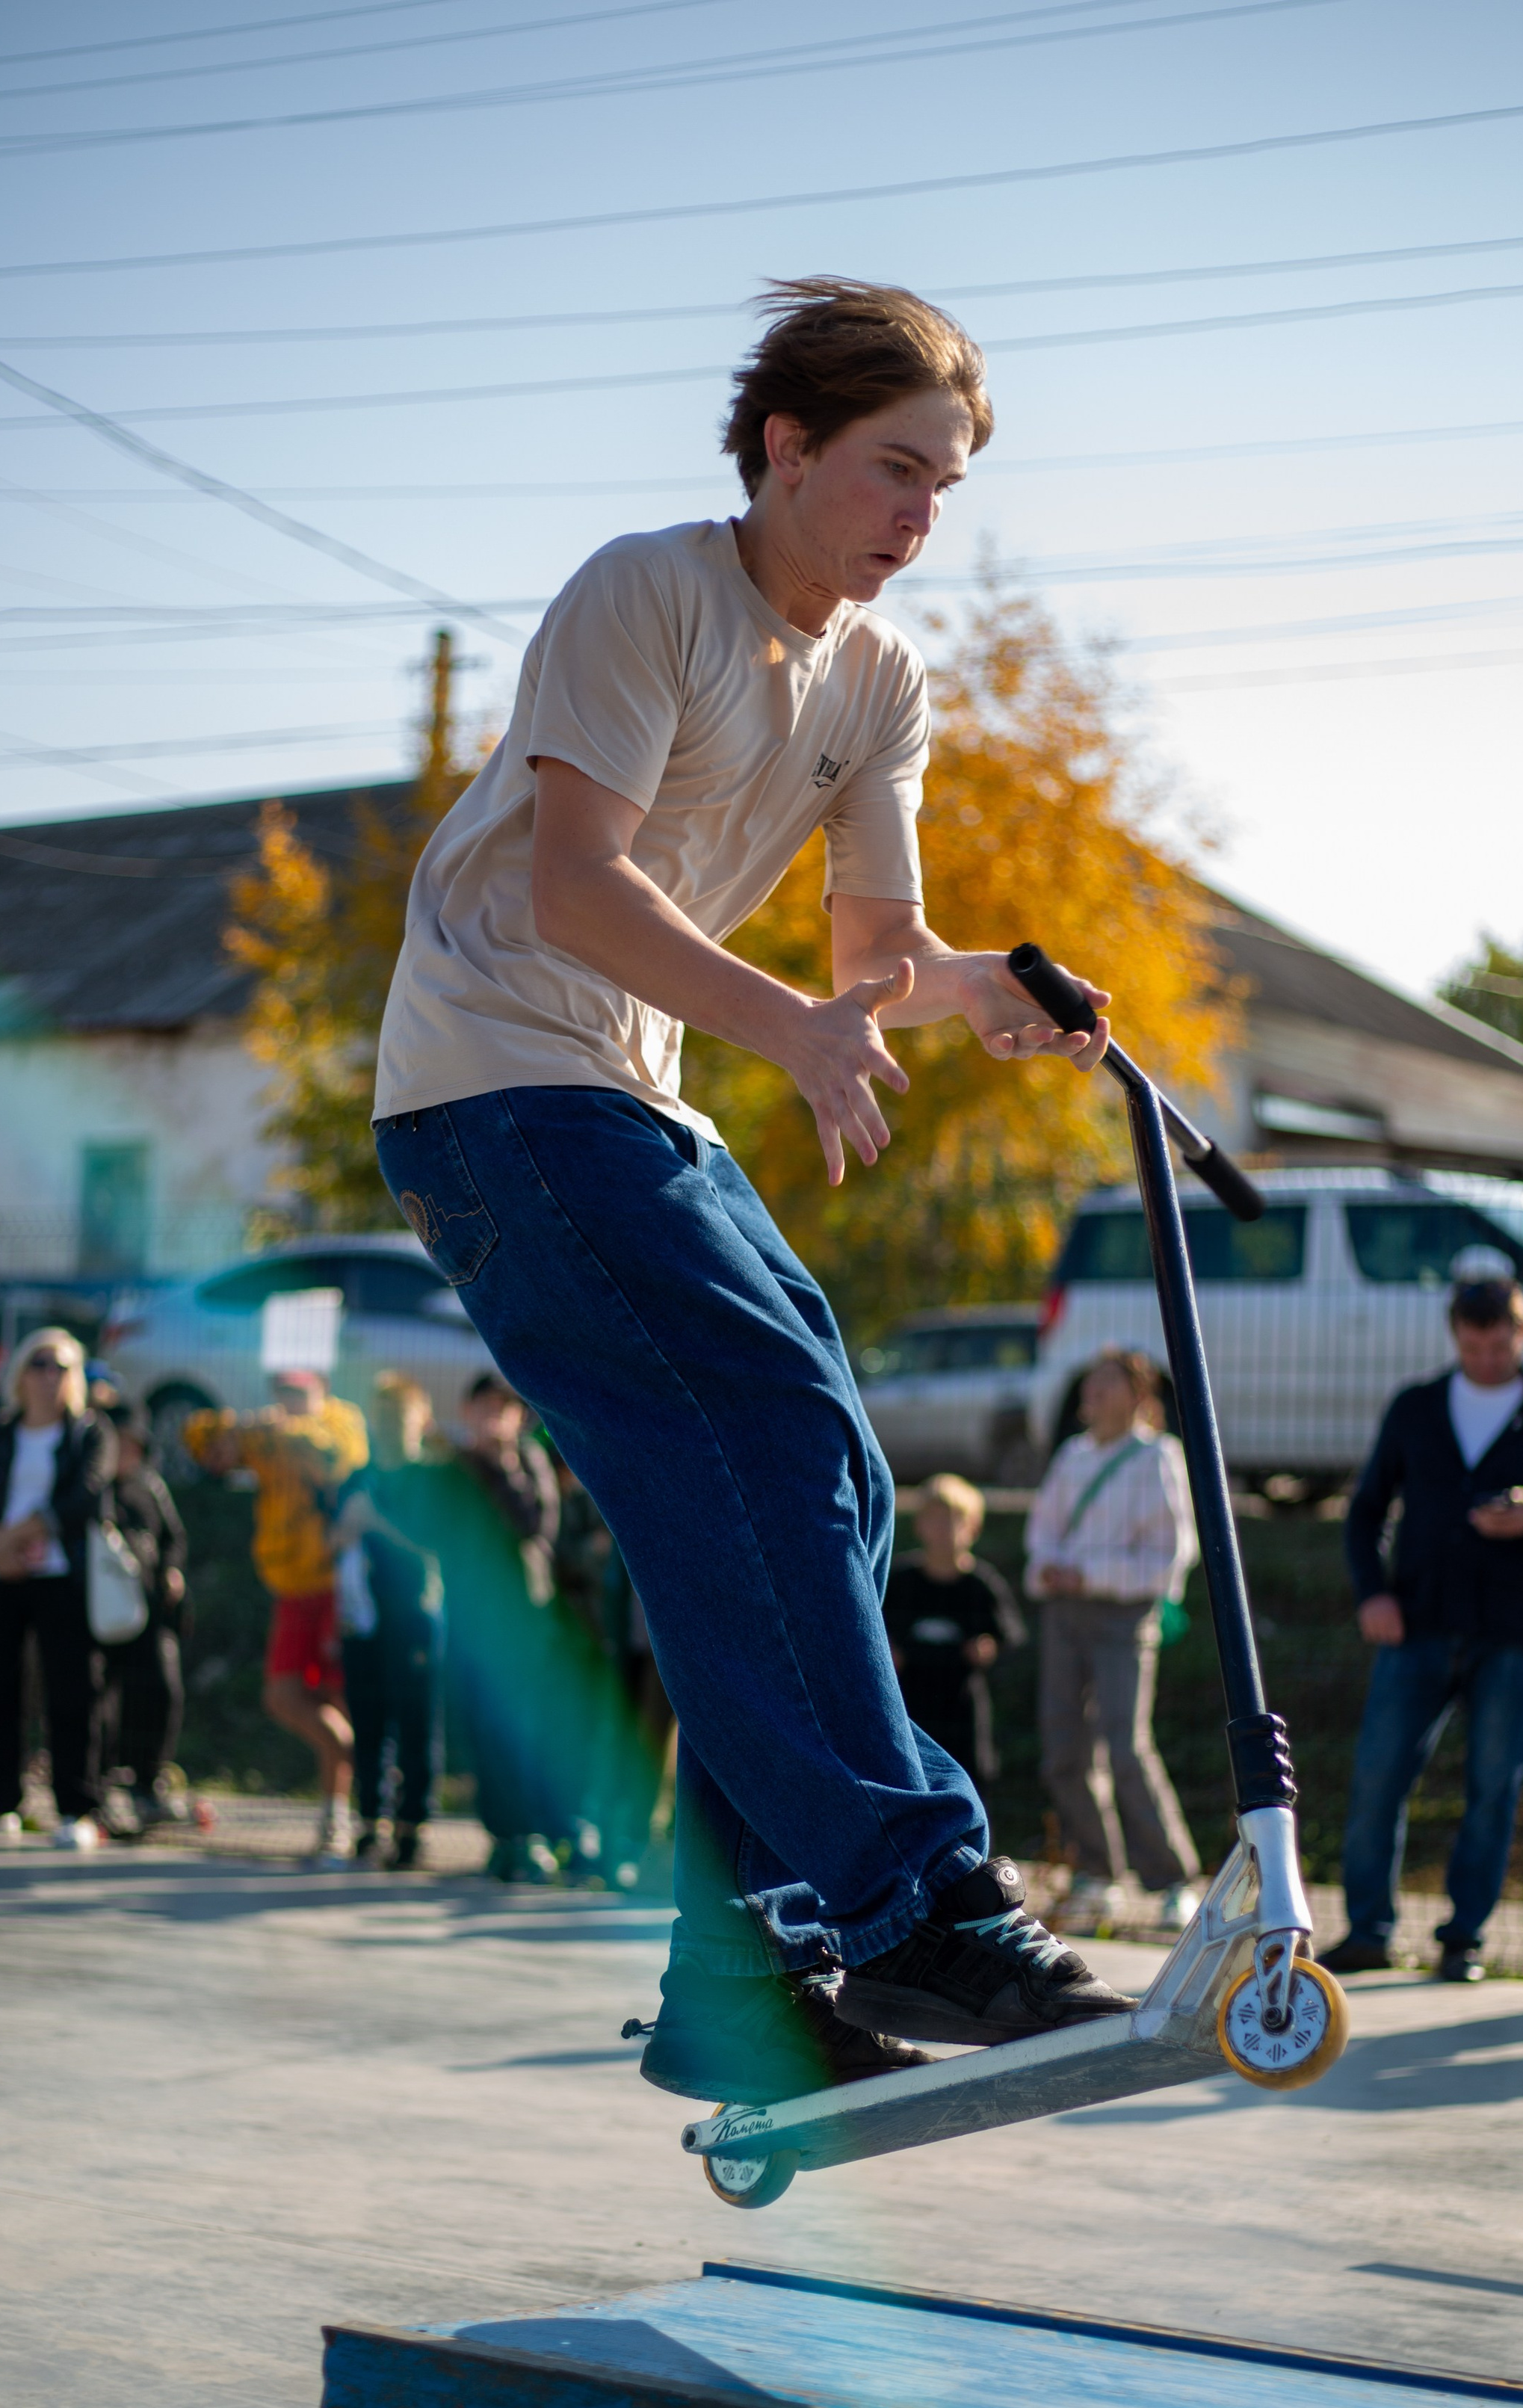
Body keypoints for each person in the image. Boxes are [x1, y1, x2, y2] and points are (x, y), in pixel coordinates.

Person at [371, 277, 1134, 2102]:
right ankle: (912, 1897)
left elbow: (876, 948)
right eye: (890, 472)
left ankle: (741, 1973)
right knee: (775, 1446)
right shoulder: (649, 591)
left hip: (630, 1093)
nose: (914, 523)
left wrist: (981, 998)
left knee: (836, 1487)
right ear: (784, 448)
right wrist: (791, 1031)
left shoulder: (878, 678)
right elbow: (575, 886)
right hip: (496, 1083)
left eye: (941, 487)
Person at [1326, 1271, 1523, 1981]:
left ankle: (1463, 1940)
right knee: (1378, 1778)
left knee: (1492, 1790)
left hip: (1509, 1635)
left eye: (1500, 1344)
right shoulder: (1417, 1406)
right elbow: (1363, 1515)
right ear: (1456, 1336)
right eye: (1474, 1345)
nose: (1487, 1358)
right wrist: (1372, 1596)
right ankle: (1366, 1932)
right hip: (1414, 1625)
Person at [1025, 1348, 1201, 1930]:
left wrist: (1090, 1574)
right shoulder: (1073, 1455)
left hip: (1124, 1617)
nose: (1093, 1392)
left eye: (1107, 1383)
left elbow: (1171, 1555)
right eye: (1090, 1382)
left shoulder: (1158, 1457)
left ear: (1136, 1395)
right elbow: (1041, 1530)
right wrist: (1051, 1569)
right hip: (1064, 1615)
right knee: (1064, 1749)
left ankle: (1174, 1880)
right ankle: (1099, 1875)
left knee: (1126, 1746)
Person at [185, 1368, 369, 1864]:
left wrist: (289, 1429)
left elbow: (340, 1461)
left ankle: (339, 1819)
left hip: (334, 1588)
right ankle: (357, 1752)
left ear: (322, 1393)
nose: (289, 1402)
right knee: (282, 1694)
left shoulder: (339, 1422)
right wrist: (238, 1428)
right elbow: (202, 1439)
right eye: (283, 1394)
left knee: (336, 1695)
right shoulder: (267, 1434)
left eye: (300, 1394)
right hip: (291, 1590)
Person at [0, 1329, 113, 1849]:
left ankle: (76, 1810)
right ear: (20, 1373)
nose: (50, 1377)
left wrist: (12, 1539)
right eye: (40, 1365)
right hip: (2, 1579)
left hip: (64, 1578)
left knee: (71, 1692)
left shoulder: (90, 1434)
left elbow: (83, 1496)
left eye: (62, 1367)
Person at [423, 1372, 566, 1886]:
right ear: (466, 1412)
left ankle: (535, 1837)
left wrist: (500, 1463)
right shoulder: (453, 1467)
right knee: (481, 1730)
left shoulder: (528, 1462)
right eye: (482, 1407)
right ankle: (501, 1838)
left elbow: (535, 1525)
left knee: (522, 1729)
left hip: (524, 1622)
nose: (491, 1417)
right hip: (470, 1615)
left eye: (502, 1408)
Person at [332, 1373, 442, 1872]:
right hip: (364, 1620)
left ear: (421, 1421)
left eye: (398, 1417)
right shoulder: (360, 1476)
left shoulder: (429, 1479)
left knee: (415, 1724)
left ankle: (411, 1827)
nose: (389, 1427)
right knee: (369, 1720)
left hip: (415, 1616)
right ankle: (368, 1821)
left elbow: (433, 1548)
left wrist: (375, 1522)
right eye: (382, 1417)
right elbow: (335, 1540)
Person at [883, 1474, 1024, 1799]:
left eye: (953, 1520)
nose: (944, 1529)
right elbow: (873, 1633)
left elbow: (1009, 1638)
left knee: (970, 1785)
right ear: (919, 1525)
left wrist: (989, 1650)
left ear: (973, 1527)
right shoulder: (901, 1582)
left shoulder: (982, 1586)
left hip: (963, 1711)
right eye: (934, 1519)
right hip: (910, 1710)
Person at [98, 1402, 190, 1832]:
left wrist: (172, 1570)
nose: (126, 1453)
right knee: (103, 1698)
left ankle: (148, 1780)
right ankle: (103, 1785)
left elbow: (173, 1537)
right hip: (104, 1612)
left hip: (150, 1611)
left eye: (133, 1446)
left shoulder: (150, 1487)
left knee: (161, 1689)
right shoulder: (94, 1489)